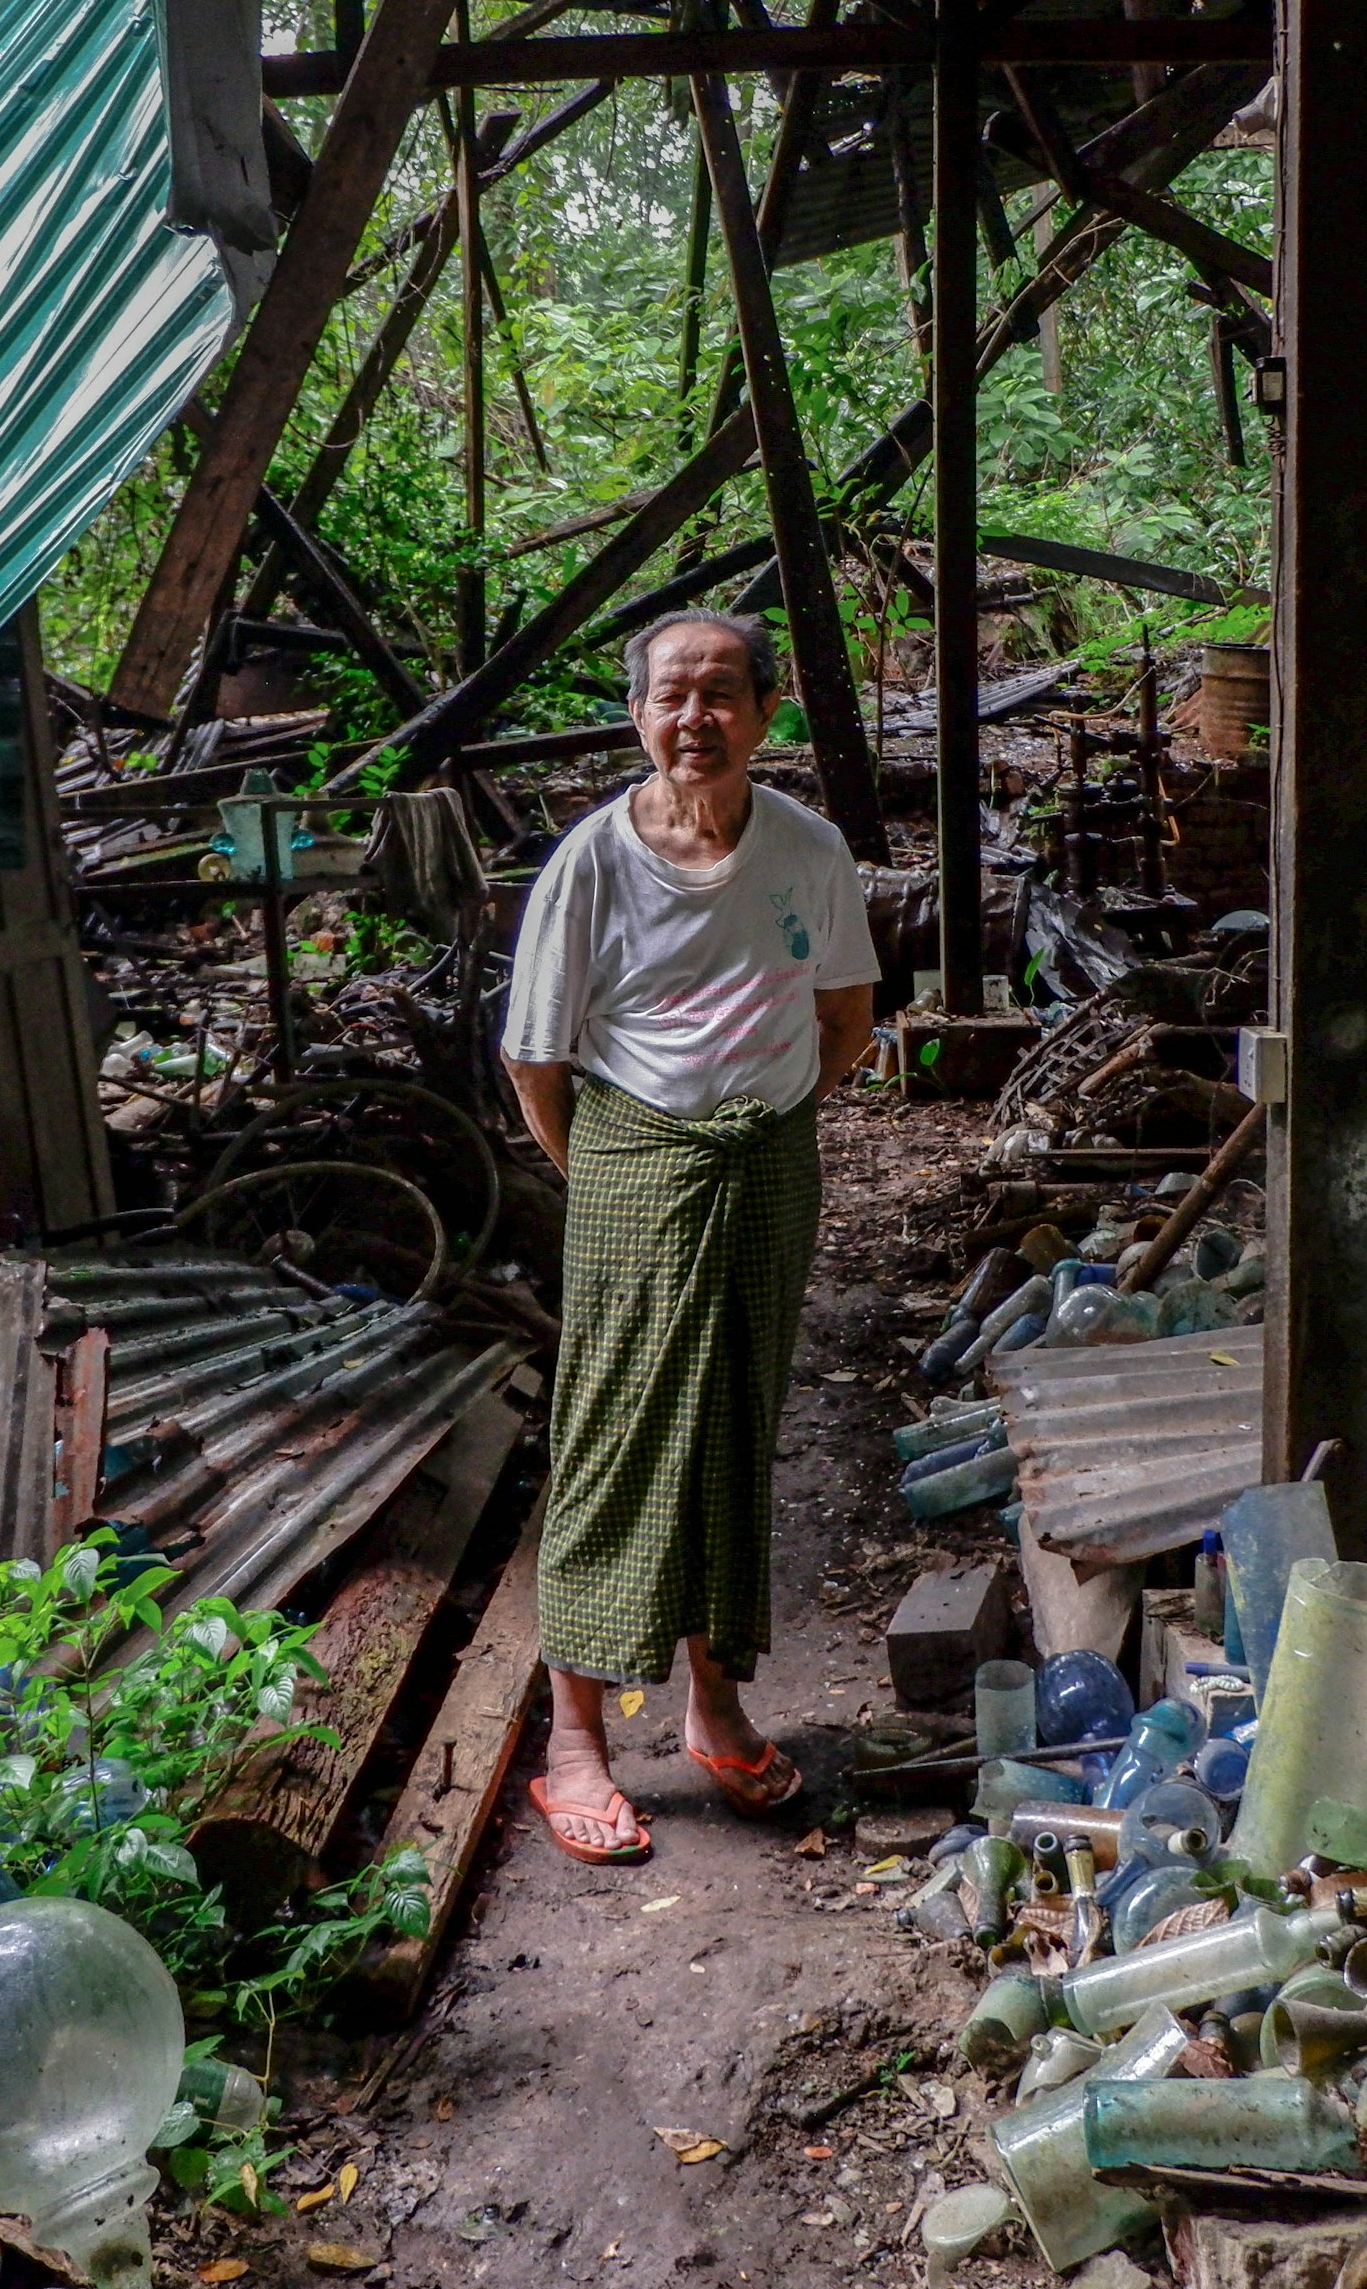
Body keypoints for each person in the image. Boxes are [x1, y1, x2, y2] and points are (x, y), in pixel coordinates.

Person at [499, 611, 882, 1863]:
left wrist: (758, 1123)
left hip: (767, 1161)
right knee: (614, 1436)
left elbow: (844, 1022)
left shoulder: (808, 851)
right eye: (672, 696)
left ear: (765, 714)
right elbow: (535, 1062)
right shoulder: (591, 864)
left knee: (736, 1426)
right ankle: (575, 1746)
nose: (694, 718)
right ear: (638, 717)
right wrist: (621, 1168)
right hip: (632, 1161)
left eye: (722, 693)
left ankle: (716, 1710)